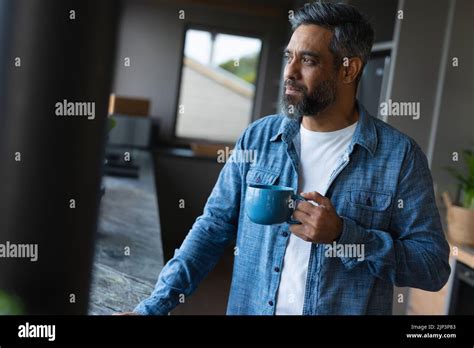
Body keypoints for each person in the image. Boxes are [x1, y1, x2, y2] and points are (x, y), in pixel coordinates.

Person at [120, 2, 450, 315]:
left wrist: (345, 235)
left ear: (349, 70)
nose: (289, 72)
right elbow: (211, 229)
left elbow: (432, 267)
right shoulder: (258, 138)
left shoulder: (400, 157)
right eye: (288, 57)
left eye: (307, 60)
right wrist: (151, 308)